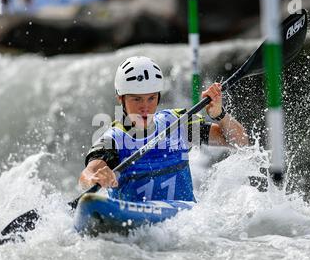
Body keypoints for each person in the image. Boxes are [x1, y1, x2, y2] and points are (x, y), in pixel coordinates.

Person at [79, 56, 249, 202]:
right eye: (137, 99)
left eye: (151, 98)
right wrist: (95, 178)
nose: (145, 107)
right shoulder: (113, 139)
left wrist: (220, 115)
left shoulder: (178, 124)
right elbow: (87, 174)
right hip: (135, 227)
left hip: (185, 224)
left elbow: (241, 141)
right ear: (120, 99)